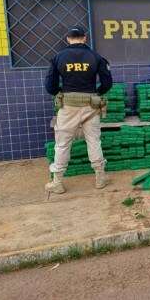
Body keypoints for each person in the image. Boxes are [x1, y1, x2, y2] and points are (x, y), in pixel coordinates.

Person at [44, 26, 113, 194]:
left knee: (62, 143)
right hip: (91, 104)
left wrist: (58, 93)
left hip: (68, 106)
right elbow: (107, 83)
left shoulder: (58, 57)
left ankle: (58, 182)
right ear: (85, 38)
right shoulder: (96, 57)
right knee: (94, 141)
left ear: (68, 39)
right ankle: (100, 177)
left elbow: (50, 86)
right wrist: (97, 93)